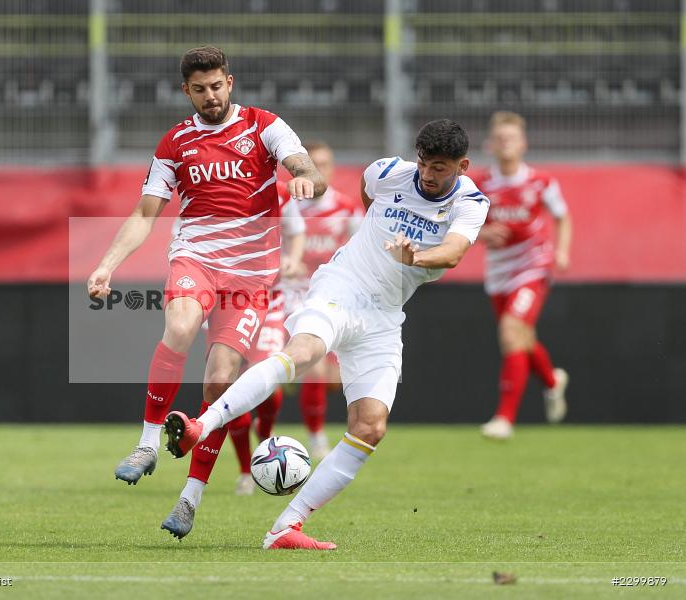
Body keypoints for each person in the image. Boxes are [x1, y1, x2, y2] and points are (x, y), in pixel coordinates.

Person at [163, 119, 489, 549]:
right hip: (342, 286)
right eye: (424, 163)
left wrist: (417, 258)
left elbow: (454, 252)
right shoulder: (388, 172)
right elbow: (369, 196)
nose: (427, 174)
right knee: (303, 353)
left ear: (462, 166)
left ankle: (285, 528)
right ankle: (200, 426)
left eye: (440, 168)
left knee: (370, 427)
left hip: (384, 316)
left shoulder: (471, 201)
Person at [86, 46, 326, 539]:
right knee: (178, 326)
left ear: (229, 82)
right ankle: (147, 444)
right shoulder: (175, 142)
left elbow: (305, 167)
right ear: (187, 91)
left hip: (252, 277)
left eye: (216, 86)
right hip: (196, 258)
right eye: (200, 89)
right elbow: (145, 213)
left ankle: (189, 499)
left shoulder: (264, 126)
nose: (210, 96)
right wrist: (106, 266)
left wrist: (305, 178)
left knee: (220, 382)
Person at [473, 112, 573, 440]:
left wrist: (562, 252)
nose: (506, 143)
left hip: (533, 265)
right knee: (521, 338)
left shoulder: (541, 182)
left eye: (512, 138)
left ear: (523, 143)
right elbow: (460, 222)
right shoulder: (479, 185)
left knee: (510, 331)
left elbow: (562, 216)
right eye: (500, 138)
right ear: (490, 144)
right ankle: (552, 381)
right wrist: (482, 233)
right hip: (499, 272)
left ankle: (504, 419)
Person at [228, 187, 306, 496]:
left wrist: (293, 260)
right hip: (225, 304)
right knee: (233, 388)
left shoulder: (280, 193)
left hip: (269, 301)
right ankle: (245, 472)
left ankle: (265, 432)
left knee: (267, 384)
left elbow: (296, 231)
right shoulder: (213, 190)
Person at [289, 142, 364, 459]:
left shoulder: (347, 209)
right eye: (313, 164)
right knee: (315, 370)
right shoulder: (288, 207)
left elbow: (363, 255)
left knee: (332, 379)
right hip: (292, 296)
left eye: (325, 164)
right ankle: (317, 439)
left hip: (332, 298)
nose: (320, 170)